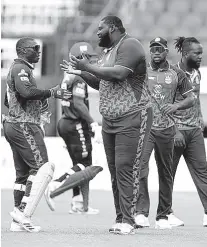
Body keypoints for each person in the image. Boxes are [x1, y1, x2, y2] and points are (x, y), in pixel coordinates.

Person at [61, 15, 152, 235]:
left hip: (133, 116)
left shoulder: (130, 45)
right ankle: (121, 217)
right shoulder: (106, 53)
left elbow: (119, 74)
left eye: (100, 28)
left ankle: (130, 220)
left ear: (112, 27)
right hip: (110, 120)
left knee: (125, 168)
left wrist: (88, 66)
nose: (97, 32)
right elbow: (102, 83)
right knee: (114, 170)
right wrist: (82, 72)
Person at [2, 37, 72, 232]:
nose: (39, 52)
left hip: (14, 124)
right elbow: (25, 91)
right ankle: (23, 212)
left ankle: (17, 221)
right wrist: (52, 92)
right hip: (23, 125)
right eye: (35, 48)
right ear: (23, 50)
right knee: (42, 168)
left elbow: (9, 100)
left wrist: (37, 106)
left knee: (23, 175)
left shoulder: (18, 69)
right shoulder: (21, 69)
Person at [134, 37, 194, 229]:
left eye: (160, 49)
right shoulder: (142, 71)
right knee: (141, 168)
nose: (156, 52)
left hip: (167, 128)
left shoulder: (177, 73)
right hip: (146, 128)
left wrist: (176, 106)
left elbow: (190, 98)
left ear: (166, 51)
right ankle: (141, 213)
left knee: (166, 173)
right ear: (150, 52)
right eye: (153, 49)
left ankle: (163, 215)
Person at [170, 36, 207, 227]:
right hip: (175, 131)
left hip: (194, 130)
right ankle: (165, 213)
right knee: (168, 174)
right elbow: (163, 105)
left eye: (201, 53)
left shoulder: (196, 73)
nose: (201, 57)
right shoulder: (173, 74)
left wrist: (200, 116)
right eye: (197, 53)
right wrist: (174, 129)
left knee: (202, 171)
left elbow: (196, 98)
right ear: (185, 54)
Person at [44, 42, 102, 215]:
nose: (91, 61)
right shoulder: (78, 76)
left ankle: (79, 204)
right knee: (85, 165)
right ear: (81, 58)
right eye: (88, 57)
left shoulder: (68, 74)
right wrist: (93, 123)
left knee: (79, 165)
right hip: (75, 123)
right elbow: (77, 103)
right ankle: (55, 185)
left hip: (66, 122)